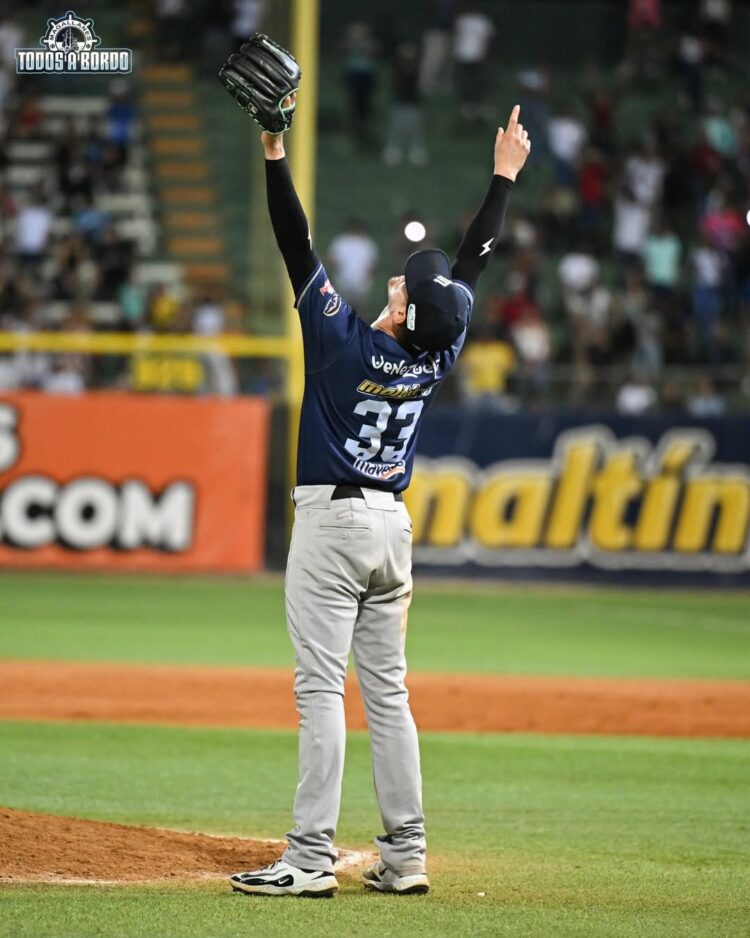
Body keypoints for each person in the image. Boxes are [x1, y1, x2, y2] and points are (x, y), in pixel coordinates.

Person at [229, 103, 530, 898]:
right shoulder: (438, 349)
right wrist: (502, 180)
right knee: (389, 696)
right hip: (391, 532)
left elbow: (294, 241)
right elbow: (472, 267)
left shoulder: (341, 341)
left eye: (408, 284)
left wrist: (272, 147)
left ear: (401, 312)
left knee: (321, 690)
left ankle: (307, 857)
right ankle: (406, 858)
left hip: (331, 525)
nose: (407, 277)